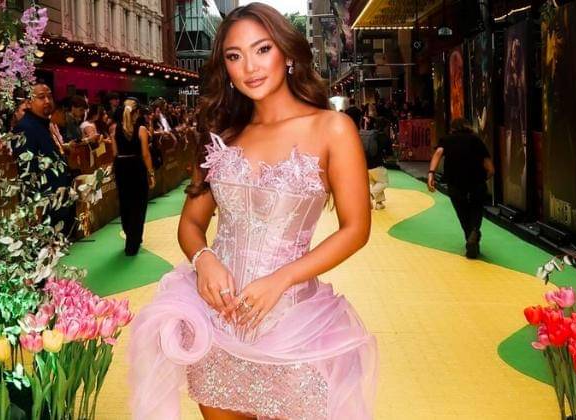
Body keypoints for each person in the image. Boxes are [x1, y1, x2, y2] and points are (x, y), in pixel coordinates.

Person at [129, 3, 378, 419]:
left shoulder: (332, 128)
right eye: (234, 55)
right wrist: (204, 259)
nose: (249, 67)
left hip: (293, 326)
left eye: (262, 49)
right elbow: (191, 223)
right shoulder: (221, 133)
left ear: (287, 53)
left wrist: (281, 279)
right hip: (216, 322)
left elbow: (356, 229)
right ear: (225, 67)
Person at [12, 84, 75, 237]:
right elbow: (27, 172)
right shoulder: (25, 127)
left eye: (49, 96)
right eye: (41, 97)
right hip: (44, 206)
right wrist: (37, 207)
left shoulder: (44, 124)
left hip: (59, 200)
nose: (47, 101)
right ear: (28, 102)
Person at [427, 117, 495, 259]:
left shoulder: (447, 140)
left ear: (452, 128)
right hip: (476, 182)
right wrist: (483, 178)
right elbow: (490, 169)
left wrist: (431, 173)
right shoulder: (476, 140)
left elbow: (438, 153)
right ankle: (474, 231)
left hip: (455, 182)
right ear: (467, 126)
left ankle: (470, 237)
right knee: (476, 209)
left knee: (462, 211)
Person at [111, 99, 155, 256]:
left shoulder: (114, 129)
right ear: (136, 113)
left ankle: (130, 234)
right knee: (139, 205)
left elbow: (115, 153)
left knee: (125, 203)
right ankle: (133, 241)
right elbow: (145, 154)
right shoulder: (141, 129)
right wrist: (151, 173)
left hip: (121, 168)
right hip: (137, 167)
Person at [361, 117, 392, 210]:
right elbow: (389, 154)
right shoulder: (385, 137)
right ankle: (369, 196)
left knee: (376, 183)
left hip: (366, 165)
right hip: (377, 165)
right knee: (384, 182)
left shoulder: (371, 135)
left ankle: (379, 203)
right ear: (385, 127)